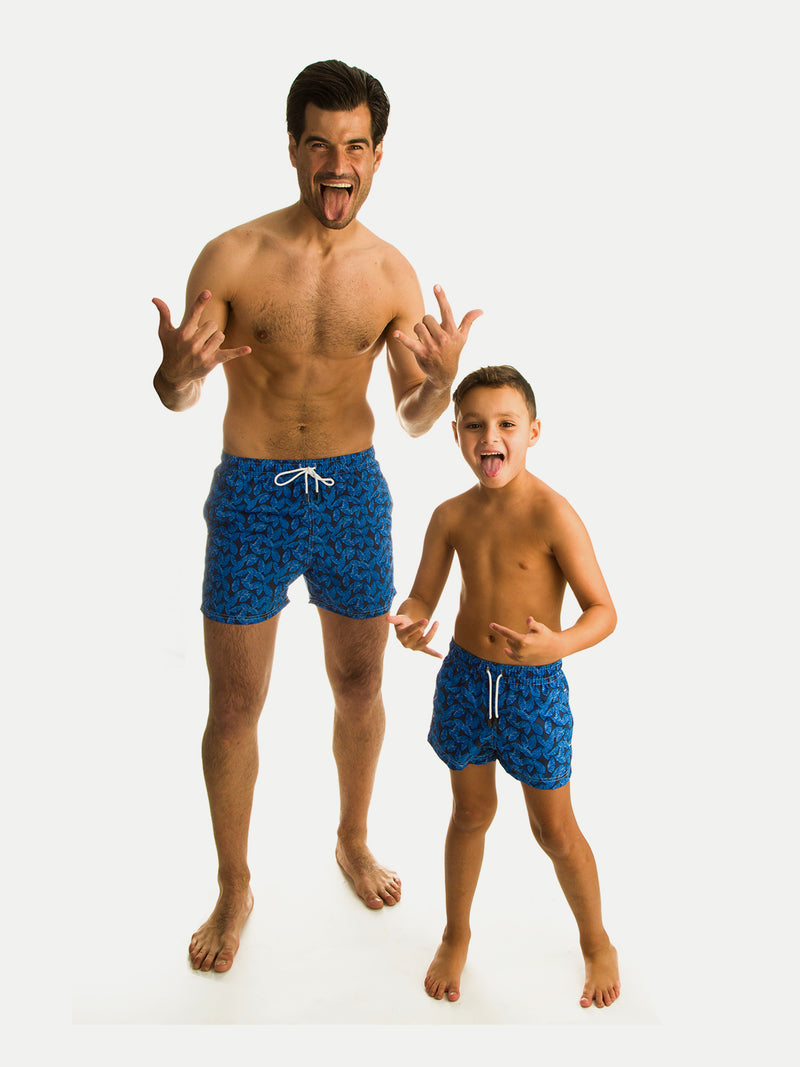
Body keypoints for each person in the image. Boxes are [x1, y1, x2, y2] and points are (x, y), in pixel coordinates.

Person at [152, 59, 482, 974]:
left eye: (356, 146)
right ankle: (233, 885)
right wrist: (176, 373)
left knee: (361, 684)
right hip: (252, 494)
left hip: (351, 493)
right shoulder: (232, 256)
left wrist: (441, 384)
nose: (339, 164)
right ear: (294, 149)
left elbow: (413, 416)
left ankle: (353, 838)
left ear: (378, 155)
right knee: (234, 704)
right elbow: (180, 393)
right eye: (320, 144)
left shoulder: (391, 273)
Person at [389, 365, 620, 1008]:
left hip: (533, 689)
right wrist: (409, 621)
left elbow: (603, 611)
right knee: (469, 814)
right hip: (466, 680)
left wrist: (558, 644)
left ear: (533, 432)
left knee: (554, 831)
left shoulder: (553, 514)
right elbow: (422, 595)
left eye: (506, 424)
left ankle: (597, 941)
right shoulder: (450, 516)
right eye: (474, 425)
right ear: (456, 435)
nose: (490, 437)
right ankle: (455, 934)